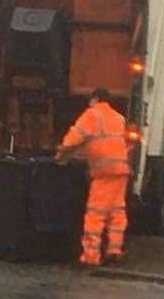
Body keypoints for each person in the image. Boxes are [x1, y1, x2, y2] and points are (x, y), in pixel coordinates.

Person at [56, 88, 134, 266]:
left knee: (95, 213)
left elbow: (74, 137)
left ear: (95, 99)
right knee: (117, 211)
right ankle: (114, 250)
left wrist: (62, 153)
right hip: (121, 170)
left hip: (104, 172)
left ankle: (90, 256)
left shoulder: (92, 115)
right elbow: (110, 142)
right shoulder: (118, 118)